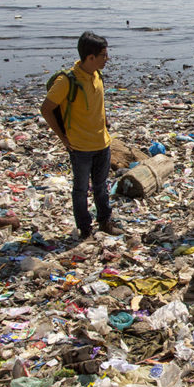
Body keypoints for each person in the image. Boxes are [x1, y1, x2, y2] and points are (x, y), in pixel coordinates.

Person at [41, 32, 124, 238]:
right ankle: (85, 228)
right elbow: (46, 108)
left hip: (102, 143)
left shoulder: (97, 75)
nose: (107, 58)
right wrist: (63, 138)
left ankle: (105, 222)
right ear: (90, 57)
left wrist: (105, 121)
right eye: (104, 55)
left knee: (101, 186)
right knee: (80, 190)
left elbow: (98, 102)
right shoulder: (67, 81)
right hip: (80, 147)